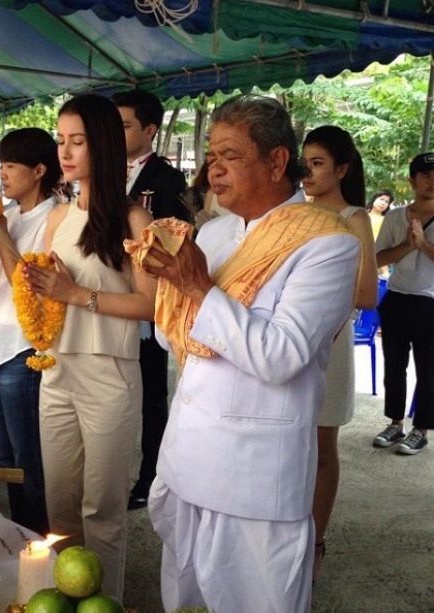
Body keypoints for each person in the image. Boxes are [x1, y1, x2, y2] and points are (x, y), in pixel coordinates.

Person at [141, 95, 361, 613]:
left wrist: (195, 286)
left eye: (230, 155)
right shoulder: (213, 232)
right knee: (184, 599)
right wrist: (164, 285)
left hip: (255, 476)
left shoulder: (329, 243)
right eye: (210, 156)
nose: (212, 170)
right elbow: (174, 339)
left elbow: (281, 355)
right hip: (187, 456)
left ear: (277, 161)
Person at [23, 93, 157, 600]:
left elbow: (149, 305)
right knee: (59, 506)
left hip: (109, 376)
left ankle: (106, 603)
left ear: (102, 144)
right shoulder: (57, 217)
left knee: (102, 510)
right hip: (56, 371)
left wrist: (76, 293)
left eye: (77, 141)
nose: (65, 150)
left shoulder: (135, 222)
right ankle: (62, 601)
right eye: (61, 140)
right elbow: (44, 289)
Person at [301, 125, 378, 581]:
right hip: (288, 337)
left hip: (329, 340)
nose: (307, 172)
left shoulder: (353, 217)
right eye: (304, 163)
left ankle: (317, 539)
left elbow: (367, 293)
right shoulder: (294, 214)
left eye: (317, 163)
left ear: (341, 169)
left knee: (322, 445)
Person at [0, 128, 61, 535]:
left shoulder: (54, 218)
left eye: (11, 166)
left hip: (22, 349)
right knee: (6, 455)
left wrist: (4, 238)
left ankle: (37, 539)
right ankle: (17, 537)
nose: (3, 174)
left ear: (39, 170)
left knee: (28, 457)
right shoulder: (6, 214)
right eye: (2, 165)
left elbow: (27, 285)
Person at [111, 89, 188, 511]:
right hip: (101, 297)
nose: (114, 133)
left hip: (149, 300)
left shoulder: (167, 179)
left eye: (123, 125)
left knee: (151, 393)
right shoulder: (100, 171)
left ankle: (151, 476)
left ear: (150, 129)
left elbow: (176, 239)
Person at [372, 153, 434, 455]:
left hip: (430, 301)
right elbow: (377, 258)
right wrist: (407, 245)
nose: (432, 180)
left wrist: (423, 244)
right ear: (412, 180)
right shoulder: (396, 217)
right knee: (394, 367)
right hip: (396, 298)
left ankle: (421, 429)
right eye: (425, 174)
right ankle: (395, 423)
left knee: (429, 369)